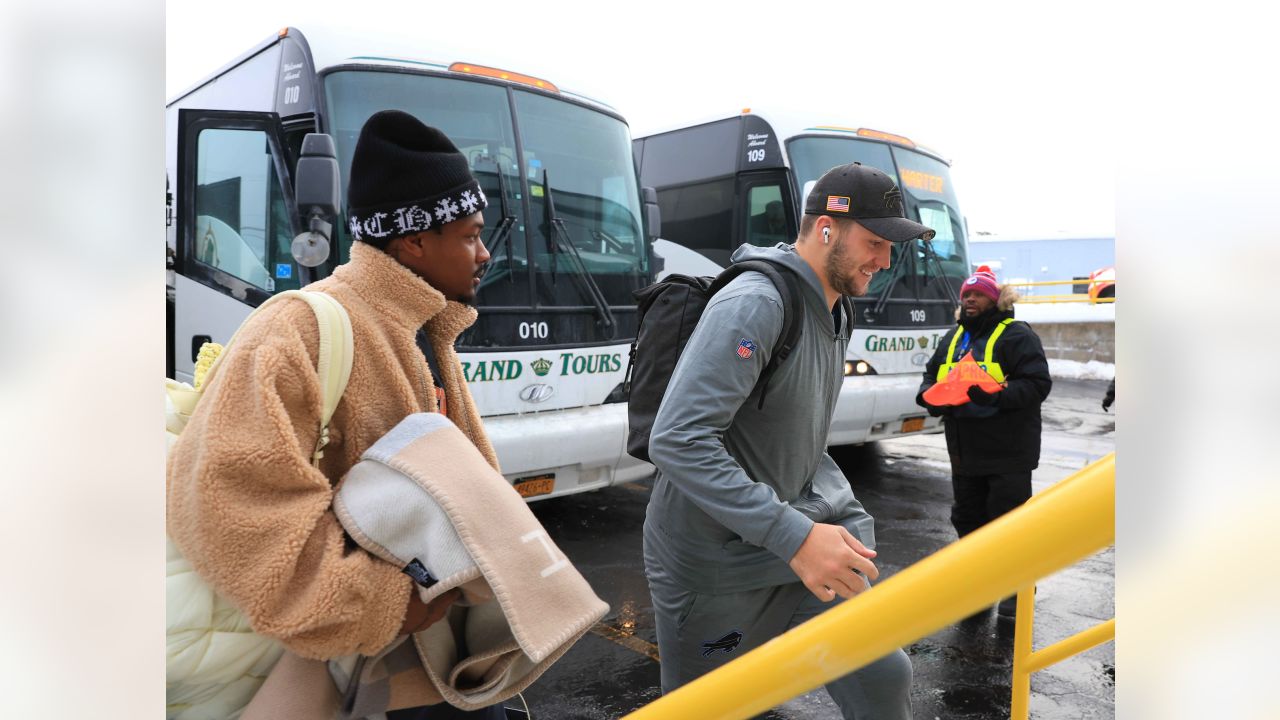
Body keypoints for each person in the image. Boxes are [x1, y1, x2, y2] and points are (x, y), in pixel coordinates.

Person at [167, 110, 506, 718]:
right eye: (470, 235)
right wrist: (383, 604)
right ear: (414, 240)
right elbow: (226, 499)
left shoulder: (424, 323)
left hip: (429, 656)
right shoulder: (301, 327)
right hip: (360, 666)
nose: (484, 253)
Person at [644, 163, 931, 719]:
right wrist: (795, 535)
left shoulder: (835, 309)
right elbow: (677, 439)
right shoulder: (756, 303)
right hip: (715, 568)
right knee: (711, 708)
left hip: (792, 547)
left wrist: (825, 521)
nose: (885, 260)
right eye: (875, 242)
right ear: (826, 229)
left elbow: (794, 435)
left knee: (883, 674)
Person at [915, 266, 1052, 617]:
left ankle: (1013, 590)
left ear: (995, 299)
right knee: (967, 518)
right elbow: (932, 375)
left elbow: (1037, 384)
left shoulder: (1016, 335)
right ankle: (977, 587)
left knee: (1008, 523)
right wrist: (926, 395)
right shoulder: (953, 338)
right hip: (964, 451)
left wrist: (996, 396)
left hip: (1008, 451)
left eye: (977, 295)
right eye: (965, 295)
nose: (969, 300)